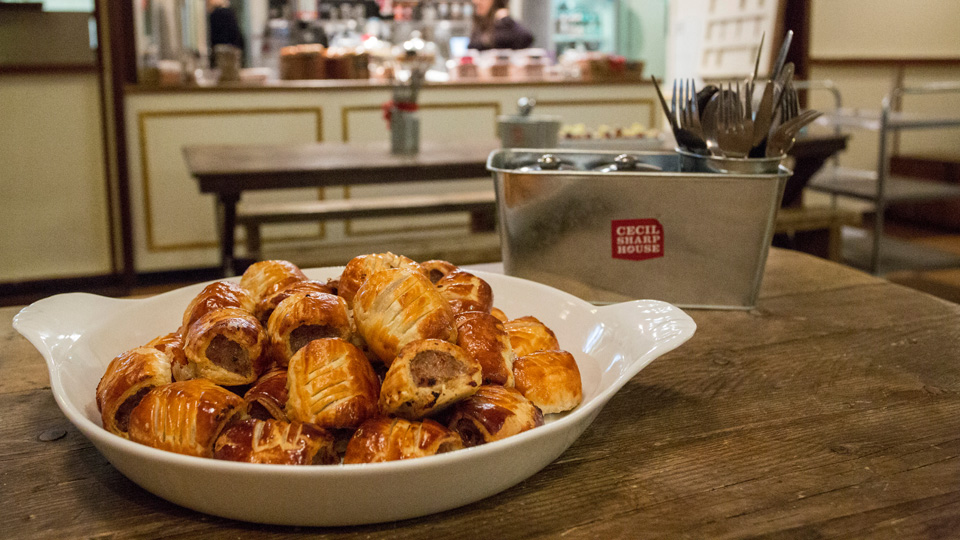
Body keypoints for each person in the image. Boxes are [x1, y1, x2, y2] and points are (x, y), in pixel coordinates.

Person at [468, 0, 533, 51]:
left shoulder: (504, 26)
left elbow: (526, 37)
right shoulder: (481, 26)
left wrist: (505, 20)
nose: (475, 1)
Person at [208, 0, 245, 66]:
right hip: (232, 48)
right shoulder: (230, 13)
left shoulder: (214, 15)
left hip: (219, 50)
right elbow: (236, 34)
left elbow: (212, 36)